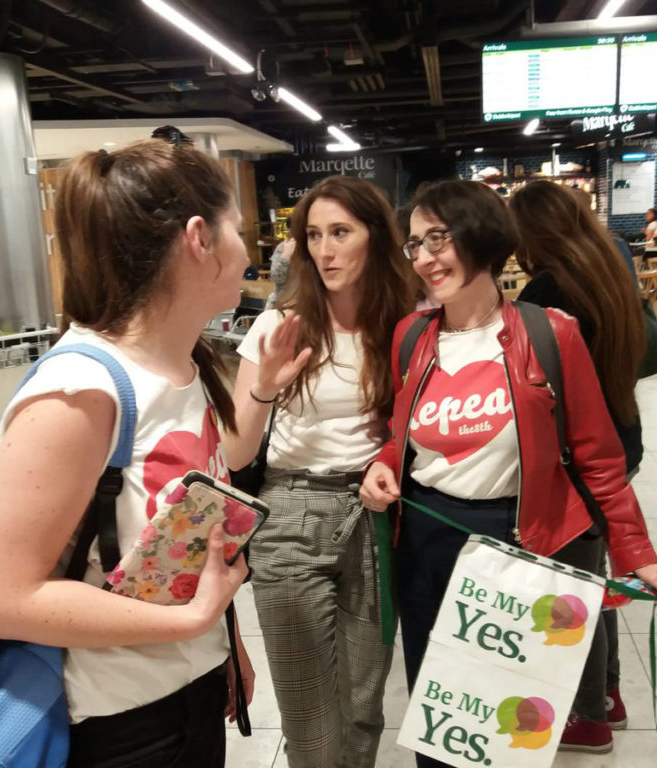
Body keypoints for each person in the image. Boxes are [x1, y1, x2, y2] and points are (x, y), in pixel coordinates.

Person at [360, 180, 657, 763]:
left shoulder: (549, 332)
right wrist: (383, 466)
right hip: (427, 544)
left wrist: (637, 553)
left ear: (482, 239)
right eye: (415, 244)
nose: (426, 257)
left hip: (517, 542)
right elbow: (399, 434)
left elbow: (599, 459)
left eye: (440, 238)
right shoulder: (410, 337)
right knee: (442, 716)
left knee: (509, 730)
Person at [0, 140, 257, 766]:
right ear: (199, 237)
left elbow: (180, 541)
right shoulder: (80, 392)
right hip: (114, 722)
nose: (250, 250)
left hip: (192, 690)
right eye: (240, 228)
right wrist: (190, 623)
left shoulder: (186, 364)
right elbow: (2, 599)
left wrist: (223, 645)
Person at [224, 176, 417, 768]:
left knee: (364, 702)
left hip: (376, 515)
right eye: (313, 236)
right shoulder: (279, 325)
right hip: (291, 513)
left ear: (375, 238)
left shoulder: (407, 324)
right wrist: (262, 389)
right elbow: (234, 453)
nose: (325, 250)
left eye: (340, 232)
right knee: (310, 714)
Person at [510, 180, 646, 739]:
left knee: (572, 587)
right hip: (620, 437)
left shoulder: (548, 288)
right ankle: (606, 694)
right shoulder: (608, 265)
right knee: (592, 575)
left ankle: (588, 717)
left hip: (577, 455)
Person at [266, 216, 295, 309]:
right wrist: (286, 255)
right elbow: (276, 277)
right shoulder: (282, 247)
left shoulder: (312, 247)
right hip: (281, 305)